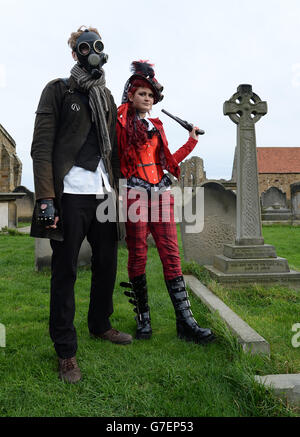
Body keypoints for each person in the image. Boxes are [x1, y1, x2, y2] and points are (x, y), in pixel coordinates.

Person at [30, 26, 132, 384]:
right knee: (66, 270)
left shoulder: (105, 96)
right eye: (85, 47)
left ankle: (100, 324)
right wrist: (46, 198)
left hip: (103, 189)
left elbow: (112, 150)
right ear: (75, 54)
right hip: (70, 191)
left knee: (106, 262)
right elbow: (41, 147)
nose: (92, 51)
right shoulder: (58, 90)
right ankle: (65, 350)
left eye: (97, 46)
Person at [117, 60, 215, 345]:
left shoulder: (157, 125)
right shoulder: (122, 120)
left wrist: (191, 141)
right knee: (137, 254)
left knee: (171, 254)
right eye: (142, 94)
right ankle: (143, 318)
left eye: (151, 95)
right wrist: (138, 78)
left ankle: (186, 322)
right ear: (131, 95)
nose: (148, 99)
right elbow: (118, 129)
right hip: (134, 193)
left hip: (161, 193)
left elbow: (169, 162)